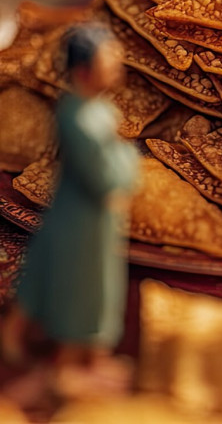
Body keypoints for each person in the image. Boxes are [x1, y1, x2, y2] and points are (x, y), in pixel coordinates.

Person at [1, 21, 140, 388]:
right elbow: (108, 176)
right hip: (81, 222)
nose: (117, 64)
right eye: (109, 58)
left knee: (92, 285)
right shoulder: (79, 119)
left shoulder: (99, 113)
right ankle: (67, 363)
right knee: (81, 288)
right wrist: (127, 161)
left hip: (96, 219)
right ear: (84, 70)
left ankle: (88, 356)